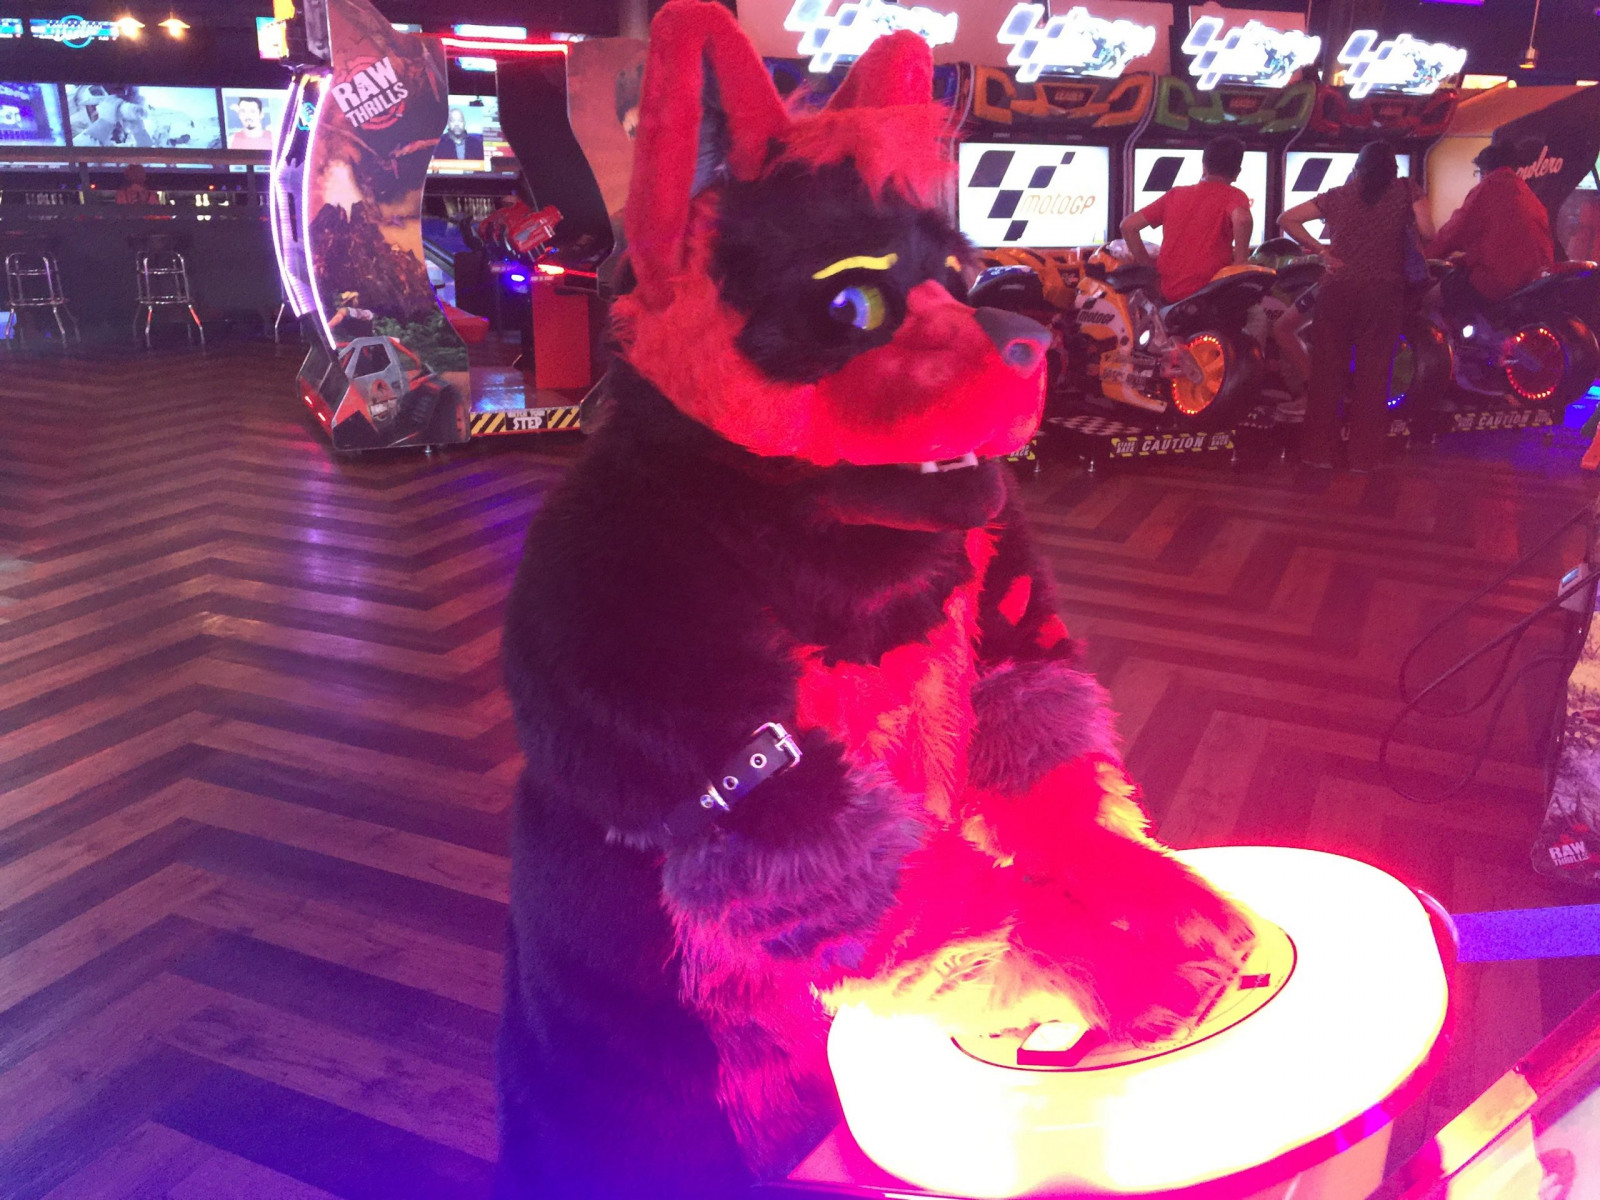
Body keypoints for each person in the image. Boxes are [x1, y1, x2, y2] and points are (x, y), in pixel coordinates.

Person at [1279, 141, 1433, 472]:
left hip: (1337, 291)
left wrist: (1322, 251)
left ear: (1357, 169)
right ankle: (1364, 458)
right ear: (1394, 169)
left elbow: (1287, 219)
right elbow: (1428, 230)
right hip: (1384, 293)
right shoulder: (1406, 190)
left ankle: (1317, 454)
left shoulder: (1338, 195)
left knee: (1326, 374)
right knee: (1373, 376)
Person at [1428, 137, 1554, 314]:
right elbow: (1509, 245)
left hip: (1498, 284)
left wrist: (1425, 258)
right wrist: (1463, 260)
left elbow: (1453, 232)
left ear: (1484, 170)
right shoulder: (1527, 194)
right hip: (1533, 284)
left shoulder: (1488, 188)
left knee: (1430, 300)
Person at [1119, 135, 1252, 302]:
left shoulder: (1175, 194)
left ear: (1204, 166)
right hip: (1209, 294)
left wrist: (1149, 269)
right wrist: (1241, 263)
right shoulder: (1234, 196)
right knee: (1256, 310)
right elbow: (1242, 219)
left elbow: (1128, 226)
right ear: (1237, 173)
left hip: (1168, 294)